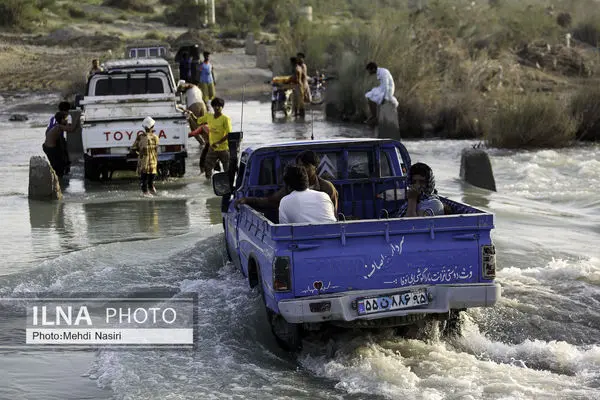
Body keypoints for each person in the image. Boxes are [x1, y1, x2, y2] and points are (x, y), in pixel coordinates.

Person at [235, 150, 338, 212]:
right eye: (300, 166)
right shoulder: (291, 186)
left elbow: (333, 213)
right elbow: (270, 201)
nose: (303, 169)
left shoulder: (327, 188)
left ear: (316, 168)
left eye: (306, 166)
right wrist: (247, 200)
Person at [194, 97, 232, 179]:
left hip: (224, 149)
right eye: (215, 106)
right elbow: (197, 120)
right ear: (212, 107)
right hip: (212, 149)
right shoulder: (209, 116)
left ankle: (228, 183)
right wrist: (190, 115)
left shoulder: (225, 119)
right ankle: (209, 184)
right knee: (207, 168)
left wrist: (218, 143)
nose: (217, 108)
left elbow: (229, 134)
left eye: (219, 106)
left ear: (222, 107)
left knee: (227, 170)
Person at [131, 117, 159, 196]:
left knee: (144, 182)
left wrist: (138, 153)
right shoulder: (156, 137)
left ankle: (146, 193)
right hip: (153, 164)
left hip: (144, 164)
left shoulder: (140, 137)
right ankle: (152, 191)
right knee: (150, 183)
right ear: (152, 127)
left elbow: (133, 149)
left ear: (144, 127)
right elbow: (156, 149)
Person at [365, 61, 399, 126]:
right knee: (370, 95)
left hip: (388, 90)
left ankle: (375, 116)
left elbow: (387, 85)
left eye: (369, 71)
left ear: (373, 69)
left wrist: (385, 98)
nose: (369, 73)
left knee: (370, 96)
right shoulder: (379, 72)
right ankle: (374, 115)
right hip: (382, 88)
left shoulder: (383, 73)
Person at [46, 101, 73, 174]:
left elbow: (48, 130)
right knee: (63, 158)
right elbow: (69, 129)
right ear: (68, 110)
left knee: (55, 162)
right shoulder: (67, 116)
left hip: (49, 141)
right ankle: (65, 170)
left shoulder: (53, 117)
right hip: (57, 140)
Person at [43, 112, 69, 178]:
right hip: (52, 145)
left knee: (57, 163)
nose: (67, 120)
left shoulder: (53, 120)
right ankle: (59, 176)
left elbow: (47, 132)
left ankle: (59, 174)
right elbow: (70, 129)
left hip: (49, 144)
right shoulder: (59, 125)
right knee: (58, 163)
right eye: (66, 118)